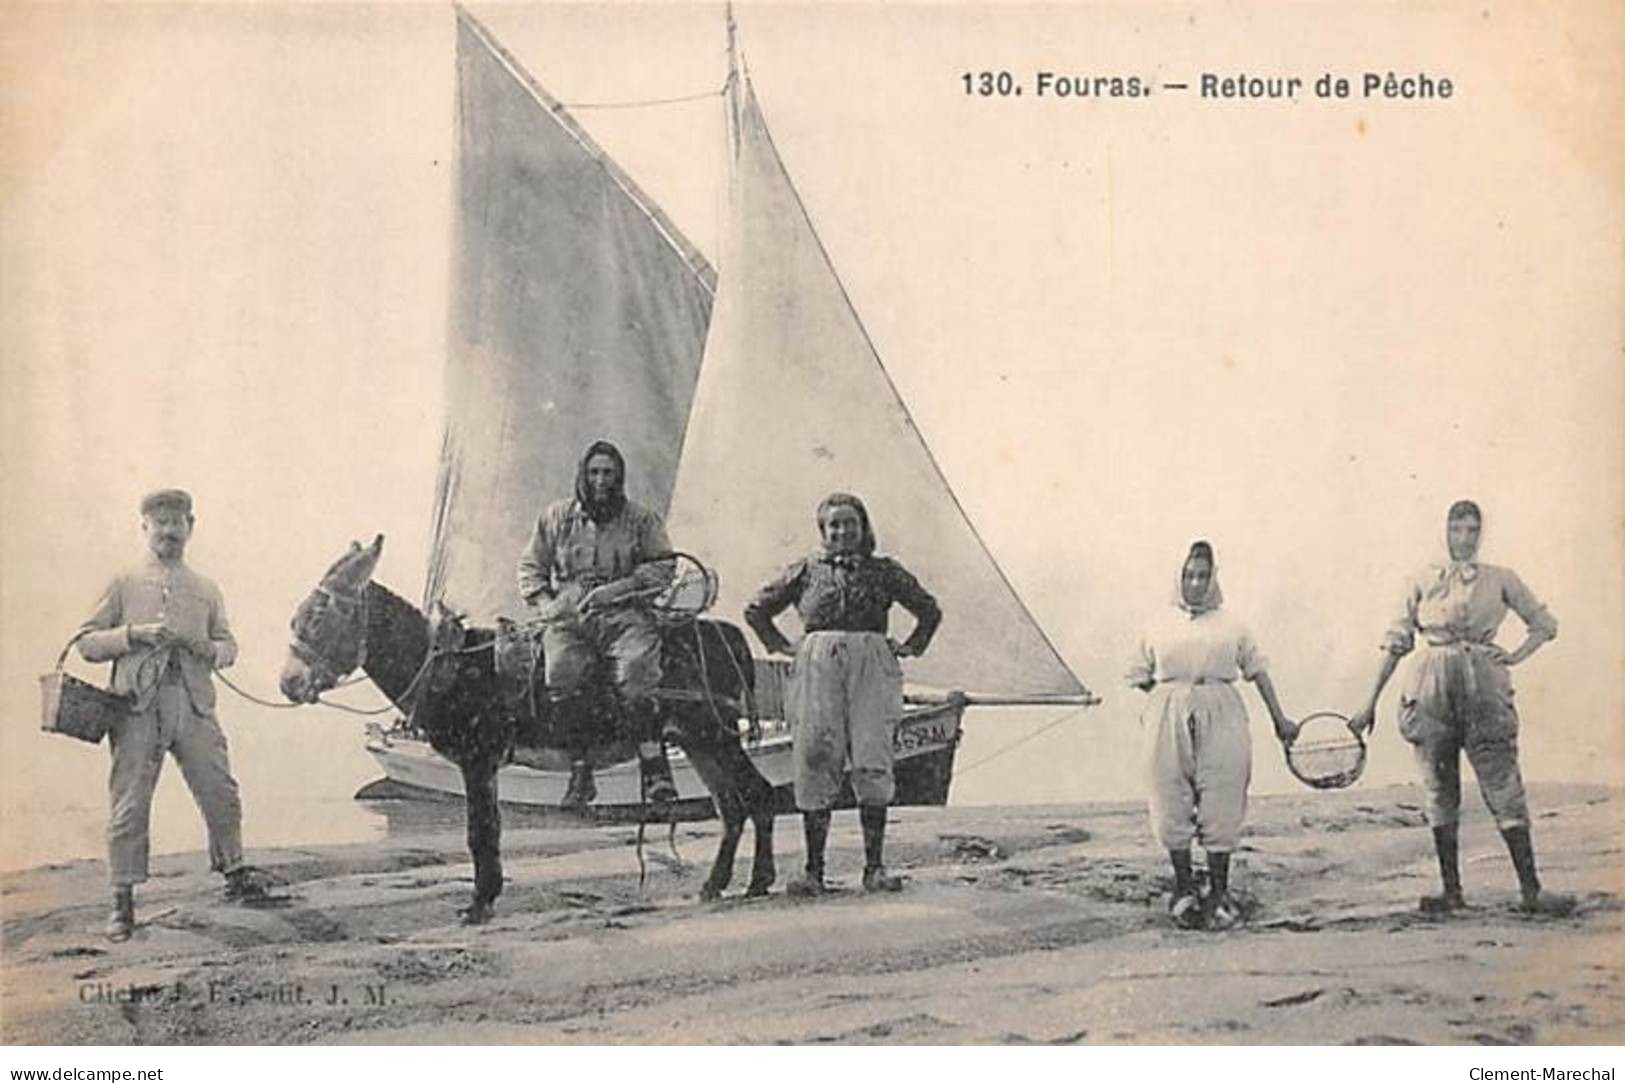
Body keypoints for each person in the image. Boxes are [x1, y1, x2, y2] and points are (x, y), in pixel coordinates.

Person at [1350, 500, 1574, 916]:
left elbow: (1545, 625)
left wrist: (1514, 657)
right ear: (1445, 532)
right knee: (1439, 786)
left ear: (1481, 534)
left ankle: (1532, 890)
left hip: (1484, 688)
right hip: (1430, 687)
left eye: (1473, 530)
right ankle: (1452, 893)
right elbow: (1397, 642)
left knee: (1503, 781)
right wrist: (1368, 705)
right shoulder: (1420, 580)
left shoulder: (1501, 579)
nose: (1465, 538)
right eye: (1457, 529)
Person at [77, 489, 273, 942]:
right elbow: (87, 643)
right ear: (143, 527)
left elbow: (229, 647)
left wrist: (209, 649)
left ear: (191, 526)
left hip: (195, 704)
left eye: (176, 521)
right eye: (158, 522)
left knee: (221, 790)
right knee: (129, 802)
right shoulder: (123, 581)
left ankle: (235, 875)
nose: (168, 530)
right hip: (136, 708)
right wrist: (133, 634)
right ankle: (122, 902)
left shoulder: (206, 588)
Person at [745, 492, 941, 895]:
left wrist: (910, 646)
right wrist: (782, 646)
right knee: (815, 754)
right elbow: (756, 610)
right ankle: (813, 871)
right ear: (823, 531)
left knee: (872, 756)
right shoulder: (804, 570)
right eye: (834, 524)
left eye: (849, 523)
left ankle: (875, 869)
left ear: (863, 527)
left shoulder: (885, 571)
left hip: (872, 665)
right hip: (817, 666)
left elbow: (928, 610)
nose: (842, 531)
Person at [1128, 541, 1296, 930]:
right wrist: (1162, 707)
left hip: (1223, 709)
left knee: (1223, 793)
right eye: (1189, 575)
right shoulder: (1157, 625)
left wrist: (1280, 719)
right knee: (1168, 793)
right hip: (1168, 708)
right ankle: (1185, 887)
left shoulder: (1232, 625)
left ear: (1213, 578)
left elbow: (1257, 671)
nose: (1196, 583)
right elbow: (1136, 675)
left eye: (1203, 575)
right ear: (1178, 577)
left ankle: (1219, 890)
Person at [517, 440, 677, 808]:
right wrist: (547, 603)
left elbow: (663, 565)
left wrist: (621, 588)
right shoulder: (556, 517)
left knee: (638, 670)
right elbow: (530, 566)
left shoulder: (641, 519)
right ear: (583, 476)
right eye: (594, 473)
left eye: (608, 473)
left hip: (624, 613)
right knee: (560, 671)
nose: (601, 480)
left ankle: (654, 767)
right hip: (570, 617)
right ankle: (580, 769)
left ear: (619, 476)